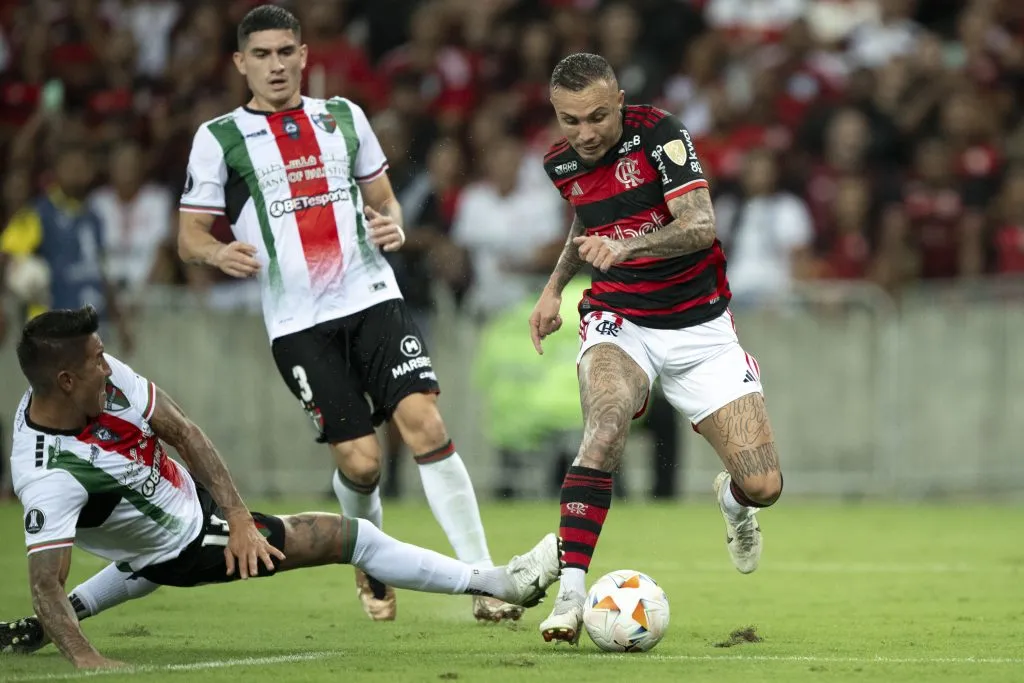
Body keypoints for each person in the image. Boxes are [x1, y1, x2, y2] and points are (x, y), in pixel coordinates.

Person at [176, 5, 515, 622]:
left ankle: (486, 580)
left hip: (372, 297)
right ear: (240, 63)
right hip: (299, 322)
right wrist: (219, 252)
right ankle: (369, 558)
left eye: (286, 52)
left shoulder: (343, 117)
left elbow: (383, 201)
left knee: (427, 427)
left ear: (305, 56)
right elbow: (189, 237)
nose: (276, 65)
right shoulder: (218, 137)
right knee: (361, 463)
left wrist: (393, 225)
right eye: (262, 55)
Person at [0, 306, 561, 668]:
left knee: (140, 559)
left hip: (176, 503)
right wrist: (88, 661)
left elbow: (184, 431)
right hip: (185, 543)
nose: (108, 363)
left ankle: (49, 627)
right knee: (353, 537)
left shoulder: (98, 377)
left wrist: (240, 515)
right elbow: (44, 580)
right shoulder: (49, 477)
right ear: (66, 380)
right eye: (96, 360)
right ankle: (501, 583)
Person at [529, 53, 785, 644]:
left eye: (597, 116)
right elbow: (584, 223)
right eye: (571, 121)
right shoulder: (560, 163)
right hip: (622, 320)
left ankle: (735, 504)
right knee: (606, 424)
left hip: (702, 327)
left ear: (619, 102)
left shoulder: (661, 135)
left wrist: (629, 247)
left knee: (764, 486)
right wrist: (552, 290)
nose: (586, 133)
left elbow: (700, 226)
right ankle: (569, 596)